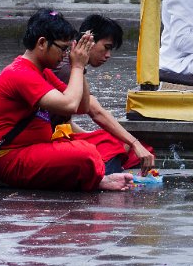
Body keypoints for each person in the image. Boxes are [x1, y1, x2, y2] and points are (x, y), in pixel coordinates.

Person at [0, 9, 143, 191]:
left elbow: (82, 106)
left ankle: (98, 178)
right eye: (63, 48)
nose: (65, 55)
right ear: (42, 43)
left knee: (90, 148)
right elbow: (69, 105)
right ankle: (98, 177)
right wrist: (77, 65)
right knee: (86, 153)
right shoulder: (19, 73)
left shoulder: (42, 71)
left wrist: (80, 68)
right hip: (13, 157)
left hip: (36, 148)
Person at [52, 14, 155, 173]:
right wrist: (134, 143)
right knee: (117, 145)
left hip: (57, 133)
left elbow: (64, 120)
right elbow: (94, 110)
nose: (108, 55)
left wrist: (92, 136)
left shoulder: (75, 66)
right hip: (45, 140)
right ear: (88, 41)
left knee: (121, 144)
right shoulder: (67, 68)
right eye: (106, 47)